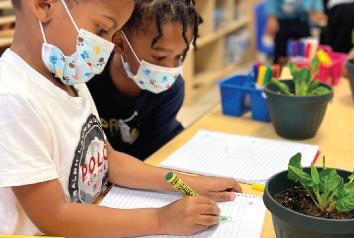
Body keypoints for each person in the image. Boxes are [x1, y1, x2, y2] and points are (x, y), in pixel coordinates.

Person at [0, 0, 241, 236]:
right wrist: (160, 219)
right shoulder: (13, 97)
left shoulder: (69, 79)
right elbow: (55, 217)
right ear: (44, 5)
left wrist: (190, 184)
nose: (108, 48)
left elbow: (109, 161)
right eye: (103, 30)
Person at [87, 0, 202, 160]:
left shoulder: (172, 89)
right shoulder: (89, 77)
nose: (170, 67)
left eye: (179, 56)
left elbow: (154, 159)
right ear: (119, 43)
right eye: (159, 56)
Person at [264, 0, 327, 65]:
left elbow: (316, 9)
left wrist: (316, 11)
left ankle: (304, 63)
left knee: (307, 45)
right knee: (280, 42)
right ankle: (280, 62)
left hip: (302, 20)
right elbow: (271, 4)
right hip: (282, 22)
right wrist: (271, 18)